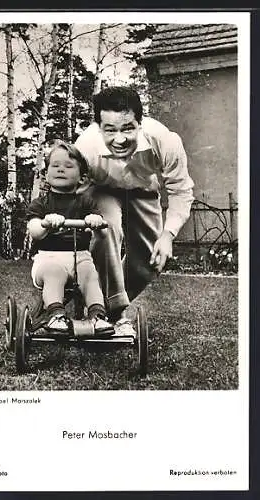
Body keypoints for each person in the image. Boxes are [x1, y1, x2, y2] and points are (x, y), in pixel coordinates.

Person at [75, 86, 194, 334]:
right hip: (102, 190)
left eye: (128, 128)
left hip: (143, 191)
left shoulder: (164, 140)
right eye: (110, 130)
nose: (120, 139)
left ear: (140, 123)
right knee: (107, 228)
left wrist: (168, 236)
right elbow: (72, 191)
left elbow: (181, 190)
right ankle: (117, 314)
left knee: (152, 260)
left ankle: (98, 305)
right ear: (99, 127)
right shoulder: (85, 148)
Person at [26, 141, 112, 334]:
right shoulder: (41, 204)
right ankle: (56, 315)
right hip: (48, 258)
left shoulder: (86, 203)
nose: (61, 170)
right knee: (54, 272)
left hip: (80, 256)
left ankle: (97, 315)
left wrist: (96, 222)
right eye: (55, 166)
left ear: (81, 178)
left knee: (89, 275)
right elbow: (34, 231)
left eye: (68, 166)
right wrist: (45, 224)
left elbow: (103, 234)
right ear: (46, 174)